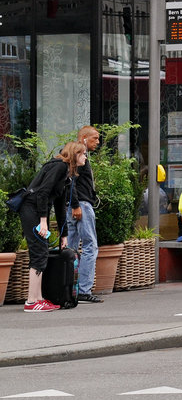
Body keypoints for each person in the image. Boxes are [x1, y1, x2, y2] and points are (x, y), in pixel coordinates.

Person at [17, 141, 86, 312]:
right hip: (31, 209)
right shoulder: (60, 167)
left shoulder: (67, 175)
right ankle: (32, 301)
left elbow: (61, 206)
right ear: (75, 154)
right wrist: (43, 222)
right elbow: (42, 192)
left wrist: (64, 235)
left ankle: (39, 298)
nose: (85, 157)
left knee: (42, 250)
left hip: (38, 210)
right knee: (39, 251)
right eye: (83, 153)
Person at [64, 125, 104, 304]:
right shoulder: (78, 155)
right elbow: (70, 180)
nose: (98, 141)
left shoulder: (76, 154)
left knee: (71, 247)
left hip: (74, 204)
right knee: (90, 246)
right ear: (84, 139)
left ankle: (68, 288)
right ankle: (84, 290)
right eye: (94, 138)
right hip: (81, 204)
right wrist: (76, 205)